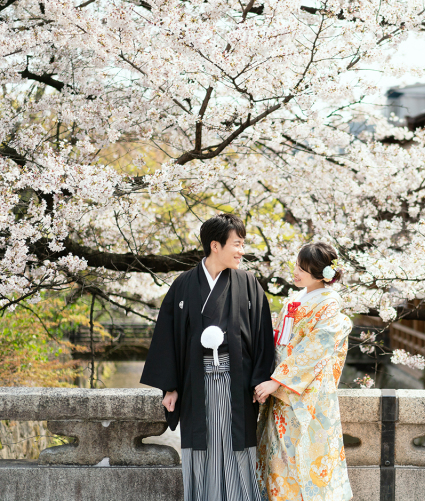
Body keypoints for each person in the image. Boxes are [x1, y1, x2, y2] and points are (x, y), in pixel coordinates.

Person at [140, 213, 275, 501]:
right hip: (195, 383)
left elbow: (263, 336)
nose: (241, 251)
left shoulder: (249, 284)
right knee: (203, 446)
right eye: (237, 244)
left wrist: (261, 380)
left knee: (238, 445)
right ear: (216, 245)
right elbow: (168, 335)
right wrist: (170, 386)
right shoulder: (184, 285)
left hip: (238, 384)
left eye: (242, 244)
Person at [254, 242, 353, 501]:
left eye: (303, 268)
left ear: (322, 274)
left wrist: (277, 381)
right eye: (297, 265)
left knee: (300, 460)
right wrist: (266, 376)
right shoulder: (294, 300)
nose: (296, 271)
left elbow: (316, 349)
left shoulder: (330, 306)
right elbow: (277, 341)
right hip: (281, 390)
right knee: (277, 460)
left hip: (305, 394)